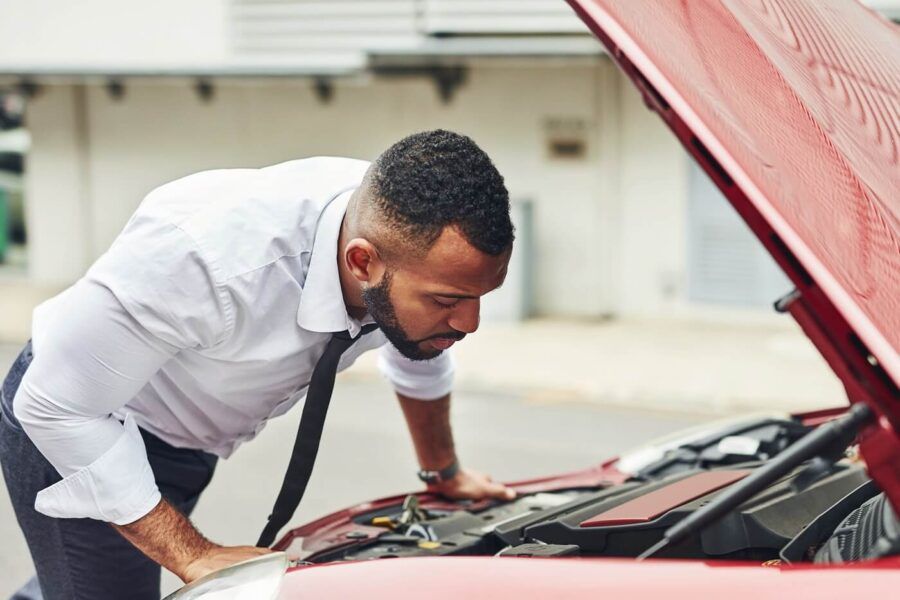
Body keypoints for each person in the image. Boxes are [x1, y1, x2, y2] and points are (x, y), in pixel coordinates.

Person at [0, 129, 516, 599]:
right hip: (83, 423)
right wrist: (192, 555)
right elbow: (53, 405)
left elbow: (421, 348)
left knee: (75, 582)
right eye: (449, 300)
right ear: (362, 262)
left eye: (480, 296)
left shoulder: (406, 233)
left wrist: (442, 471)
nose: (469, 323)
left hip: (188, 442)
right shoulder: (204, 257)